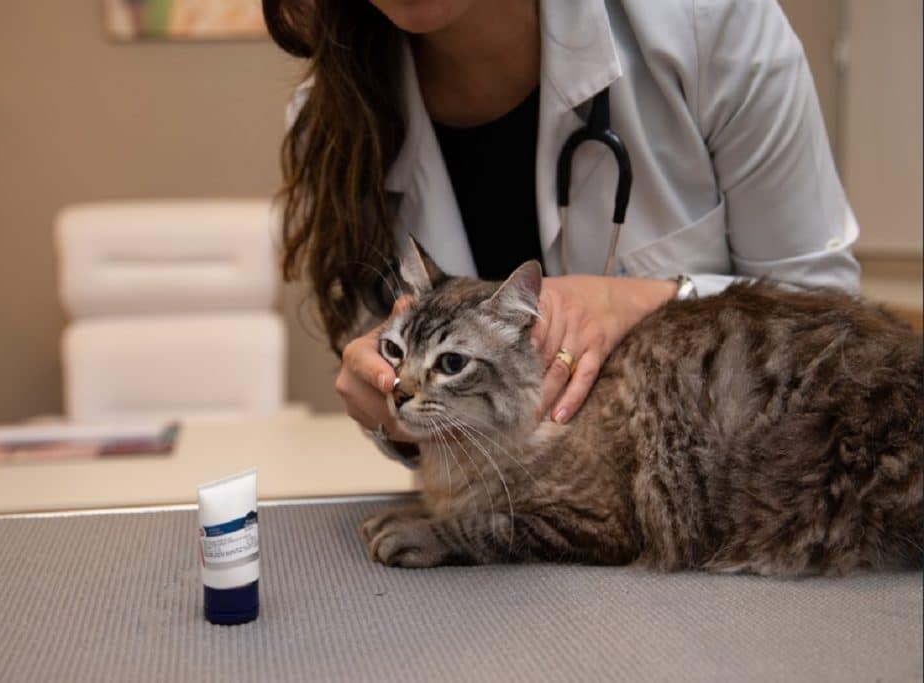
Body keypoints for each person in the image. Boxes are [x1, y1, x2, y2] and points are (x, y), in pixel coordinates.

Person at [262, 0, 860, 462]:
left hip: (730, 519)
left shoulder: (706, 23)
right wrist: (391, 417)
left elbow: (833, 326)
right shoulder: (331, 128)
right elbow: (403, 399)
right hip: (521, 560)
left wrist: (649, 299)